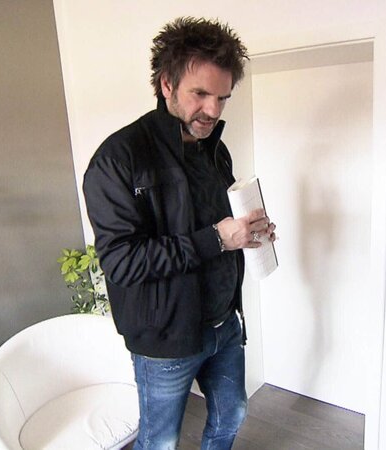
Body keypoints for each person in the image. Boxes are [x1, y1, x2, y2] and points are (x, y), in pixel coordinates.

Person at [83, 17, 276, 450]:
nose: (214, 110)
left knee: (232, 415)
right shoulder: (118, 159)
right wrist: (218, 239)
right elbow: (121, 262)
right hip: (164, 340)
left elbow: (218, 225)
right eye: (200, 94)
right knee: (160, 441)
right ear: (166, 84)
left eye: (222, 97)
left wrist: (248, 231)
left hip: (225, 322)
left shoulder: (214, 150)